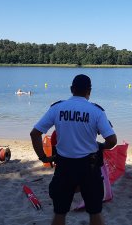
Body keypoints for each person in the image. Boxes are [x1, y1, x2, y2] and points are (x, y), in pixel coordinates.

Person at [30, 74, 117, 225]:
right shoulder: (96, 111)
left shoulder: (57, 108)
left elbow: (35, 133)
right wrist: (100, 146)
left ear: (72, 89)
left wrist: (43, 157)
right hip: (89, 168)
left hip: (64, 167)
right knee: (95, 213)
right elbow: (112, 140)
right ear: (89, 91)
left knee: (60, 213)